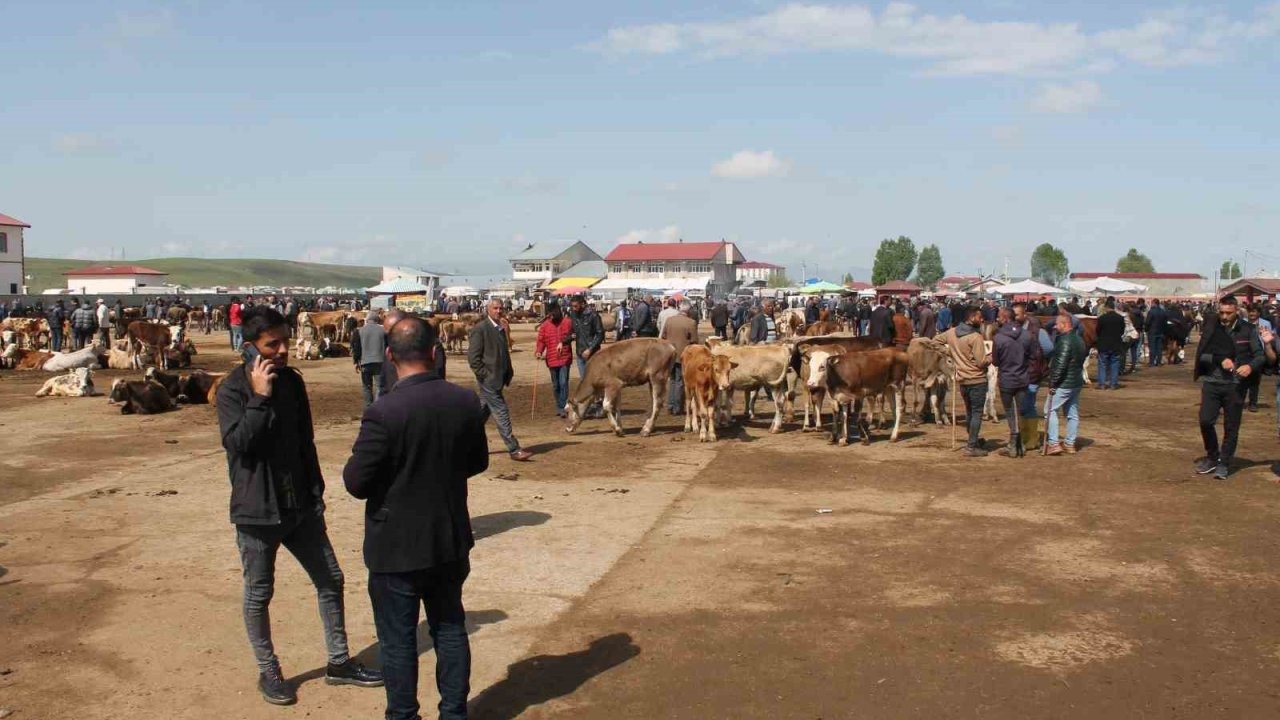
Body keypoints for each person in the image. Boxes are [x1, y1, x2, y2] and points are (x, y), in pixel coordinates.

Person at [215, 305, 382, 706]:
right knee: (259, 593)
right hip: (257, 510)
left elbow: (305, 442)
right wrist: (259, 397)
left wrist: (315, 492)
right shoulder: (232, 390)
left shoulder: (292, 382)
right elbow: (239, 444)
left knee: (331, 579)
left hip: (300, 507)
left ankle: (339, 662)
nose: (282, 350)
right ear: (249, 347)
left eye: (285, 342)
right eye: (271, 344)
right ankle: (269, 670)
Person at [342, 317, 487, 720]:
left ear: (389, 355)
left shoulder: (383, 412)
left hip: (396, 547)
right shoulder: (464, 401)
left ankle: (403, 714)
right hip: (448, 538)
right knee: (450, 628)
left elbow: (356, 482)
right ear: (435, 352)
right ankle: (454, 713)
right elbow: (478, 462)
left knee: (398, 640)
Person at [1193, 295, 1264, 480]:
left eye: (1228, 313)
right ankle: (1212, 456)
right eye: (1222, 312)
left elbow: (1260, 356)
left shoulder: (1248, 330)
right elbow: (1201, 356)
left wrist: (1250, 367)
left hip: (1235, 385)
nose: (1224, 317)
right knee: (1205, 421)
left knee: (1231, 426)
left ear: (1236, 311)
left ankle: (1224, 462)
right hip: (1212, 383)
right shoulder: (1212, 328)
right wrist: (1220, 359)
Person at [468, 299, 532, 461]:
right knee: (501, 411)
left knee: (481, 412)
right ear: (488, 310)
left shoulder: (500, 327)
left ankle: (462, 441)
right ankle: (514, 449)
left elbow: (504, 352)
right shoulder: (480, 329)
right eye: (495, 308)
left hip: (498, 378)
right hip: (489, 380)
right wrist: (485, 375)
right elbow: (473, 358)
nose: (498, 311)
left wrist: (508, 371)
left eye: (500, 308)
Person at [933, 306, 991, 457]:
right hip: (977, 379)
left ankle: (973, 439)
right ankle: (971, 446)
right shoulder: (975, 337)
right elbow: (981, 362)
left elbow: (935, 341)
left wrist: (949, 352)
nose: (982, 320)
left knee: (970, 412)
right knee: (976, 413)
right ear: (971, 318)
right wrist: (991, 357)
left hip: (963, 380)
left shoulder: (952, 333)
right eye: (979, 317)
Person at [1045, 312, 1087, 456]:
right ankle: (1069, 444)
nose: (1055, 327)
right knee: (1072, 413)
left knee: (1049, 411)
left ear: (1064, 324)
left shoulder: (1064, 341)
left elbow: (1060, 365)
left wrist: (1053, 383)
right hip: (1076, 382)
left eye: (1057, 324)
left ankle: (1053, 443)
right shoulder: (1079, 339)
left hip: (1064, 383)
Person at [991, 307, 1030, 458]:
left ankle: (1013, 444)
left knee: (1009, 411)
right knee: (1020, 411)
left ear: (1005, 318)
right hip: (1023, 378)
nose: (997, 319)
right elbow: (1033, 355)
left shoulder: (998, 338)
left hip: (1007, 378)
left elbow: (995, 361)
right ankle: (1020, 444)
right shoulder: (1027, 335)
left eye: (999, 317)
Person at [534, 300, 575, 417]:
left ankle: (563, 407)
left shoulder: (568, 322)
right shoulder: (545, 326)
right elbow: (541, 341)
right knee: (556, 385)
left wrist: (565, 341)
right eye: (549, 314)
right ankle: (559, 405)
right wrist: (539, 351)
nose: (551, 316)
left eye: (552, 313)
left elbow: (573, 335)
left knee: (563, 383)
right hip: (551, 359)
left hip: (565, 358)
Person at [660, 302, 698, 415]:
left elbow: (663, 336)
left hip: (669, 354)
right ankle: (677, 407)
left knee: (672, 380)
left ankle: (670, 405)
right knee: (680, 381)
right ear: (688, 311)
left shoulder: (669, 320)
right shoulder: (691, 322)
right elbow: (694, 341)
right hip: (683, 355)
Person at [351, 310, 386, 407]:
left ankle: (369, 408)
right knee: (379, 386)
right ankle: (378, 407)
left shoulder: (359, 331)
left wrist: (356, 362)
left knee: (366, 386)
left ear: (367, 319)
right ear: (377, 320)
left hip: (365, 363)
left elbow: (357, 349)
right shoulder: (383, 330)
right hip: (380, 362)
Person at [1095, 298, 1126, 390]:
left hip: (1103, 344)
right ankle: (1113, 384)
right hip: (1116, 344)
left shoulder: (1101, 318)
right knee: (1115, 364)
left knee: (1102, 365)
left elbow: (1098, 331)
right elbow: (1122, 331)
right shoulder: (1120, 318)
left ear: (1106, 307)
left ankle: (1102, 384)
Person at [1145, 299, 1167, 367]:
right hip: (1160, 331)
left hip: (1152, 331)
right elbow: (1165, 322)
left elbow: (1148, 322)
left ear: (1154, 303)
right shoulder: (1163, 311)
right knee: (1159, 348)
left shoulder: (1151, 311)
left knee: (1152, 348)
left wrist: (1146, 330)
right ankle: (1159, 362)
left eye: (1152, 303)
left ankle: (1152, 362)